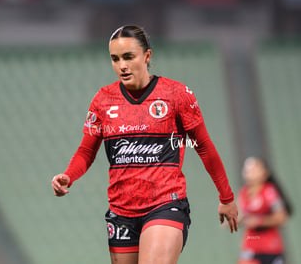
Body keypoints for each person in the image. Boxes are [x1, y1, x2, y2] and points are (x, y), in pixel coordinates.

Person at [51, 25, 238, 264]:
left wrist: (226, 197)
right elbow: (87, 150)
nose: (122, 66)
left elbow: (203, 146)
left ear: (147, 56)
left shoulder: (176, 94)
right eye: (115, 59)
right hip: (121, 212)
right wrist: (69, 175)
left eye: (129, 57)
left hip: (165, 204)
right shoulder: (103, 100)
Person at [237, 157, 291, 264]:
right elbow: (238, 217)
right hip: (251, 244)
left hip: (271, 247)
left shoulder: (270, 192)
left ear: (265, 173)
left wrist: (260, 221)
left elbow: (282, 217)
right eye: (248, 169)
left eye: (255, 168)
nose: (251, 171)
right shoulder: (242, 193)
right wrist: (232, 220)